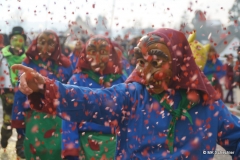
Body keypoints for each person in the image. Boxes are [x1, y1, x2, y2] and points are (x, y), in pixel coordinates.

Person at [12, 28, 240, 159]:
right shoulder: (133, 95)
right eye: (140, 62)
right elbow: (91, 101)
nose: (146, 73)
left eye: (156, 62)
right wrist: (45, 87)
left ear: (179, 62)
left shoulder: (210, 106)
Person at [11, 30, 73, 160]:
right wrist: (18, 122)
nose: (45, 47)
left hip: (58, 118)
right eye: (42, 42)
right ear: (36, 43)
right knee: (33, 151)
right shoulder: (27, 64)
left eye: (50, 43)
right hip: (33, 117)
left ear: (57, 46)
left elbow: (71, 94)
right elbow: (20, 94)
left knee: (55, 152)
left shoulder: (65, 66)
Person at [62, 35, 126, 160]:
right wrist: (71, 150)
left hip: (116, 145)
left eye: (103, 52)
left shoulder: (121, 81)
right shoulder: (76, 81)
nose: (97, 58)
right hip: (85, 145)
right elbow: (68, 119)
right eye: (92, 52)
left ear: (111, 54)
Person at [0, 26, 27, 159]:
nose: (17, 43)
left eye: (20, 40)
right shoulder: (2, 56)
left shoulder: (28, 58)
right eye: (15, 39)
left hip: (24, 94)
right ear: (10, 40)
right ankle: (4, 139)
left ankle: (20, 150)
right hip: (7, 93)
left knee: (23, 122)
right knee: (8, 121)